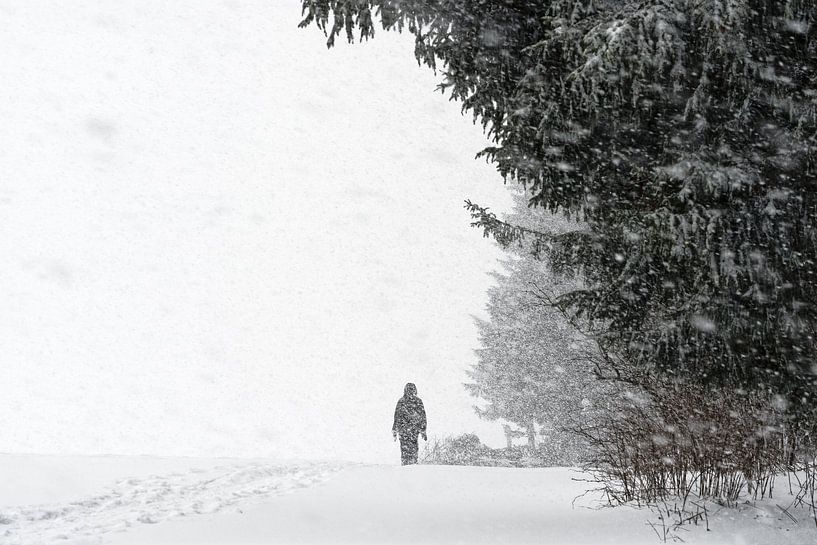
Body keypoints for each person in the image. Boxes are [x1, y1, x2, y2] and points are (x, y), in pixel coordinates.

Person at [392, 382, 427, 465]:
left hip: (404, 430)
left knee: (405, 449)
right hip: (413, 430)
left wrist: (395, 430)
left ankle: (406, 465)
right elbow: (423, 416)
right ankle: (412, 465)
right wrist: (423, 430)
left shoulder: (401, 401)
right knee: (413, 448)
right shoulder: (418, 401)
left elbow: (396, 417)